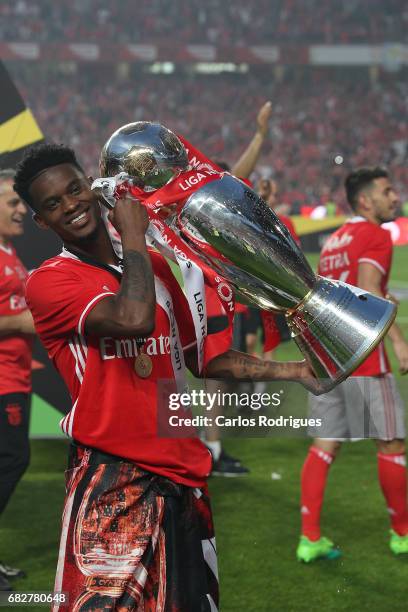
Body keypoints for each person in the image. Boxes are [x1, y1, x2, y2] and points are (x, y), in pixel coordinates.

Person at [15, 143, 316, 610]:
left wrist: (295, 371)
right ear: (41, 221)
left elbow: (204, 359)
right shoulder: (51, 281)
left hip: (183, 470)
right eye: (53, 204)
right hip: (112, 477)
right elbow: (133, 318)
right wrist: (134, 236)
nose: (70, 205)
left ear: (91, 188)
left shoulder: (155, 266)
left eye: (75, 190)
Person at [297, 167, 408, 563]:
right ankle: (402, 534)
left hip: (328, 358)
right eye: (387, 190)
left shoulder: (335, 240)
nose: (395, 197)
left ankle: (309, 538)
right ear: (366, 201)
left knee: (324, 447)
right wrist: (397, 341)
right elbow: (367, 290)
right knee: (392, 442)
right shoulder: (375, 235)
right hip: (363, 357)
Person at [0, 169, 35, 591]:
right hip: (3, 381)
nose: (21, 210)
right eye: (12, 202)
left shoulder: (9, 250)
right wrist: (22, 321)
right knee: (12, 460)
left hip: (15, 377)